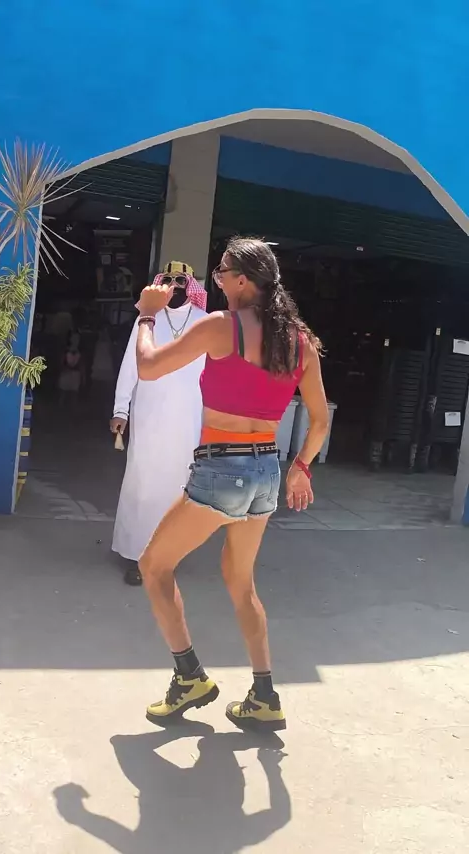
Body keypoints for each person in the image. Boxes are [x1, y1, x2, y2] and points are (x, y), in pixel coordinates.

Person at [136, 238, 329, 731]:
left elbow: (148, 367)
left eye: (222, 271)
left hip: (222, 469)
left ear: (243, 280)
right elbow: (320, 419)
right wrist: (301, 466)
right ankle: (264, 696)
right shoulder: (300, 342)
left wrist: (147, 315)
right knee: (241, 584)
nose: (217, 278)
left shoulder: (222, 326)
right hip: (267, 471)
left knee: (153, 567)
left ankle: (189, 677)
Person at [110, 261, 207, 585]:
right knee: (143, 486)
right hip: (149, 418)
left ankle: (166, 556)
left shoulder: (205, 322)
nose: (174, 286)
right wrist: (121, 409)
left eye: (181, 280)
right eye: (169, 280)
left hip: (188, 422)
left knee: (178, 490)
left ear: (190, 285)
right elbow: (130, 364)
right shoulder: (146, 320)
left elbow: (215, 377)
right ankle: (136, 555)